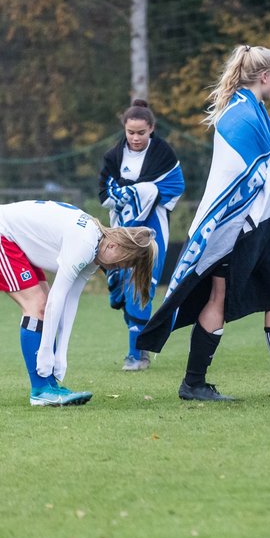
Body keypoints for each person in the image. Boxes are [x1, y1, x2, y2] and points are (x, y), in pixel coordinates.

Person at [136, 45, 270, 402]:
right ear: (263, 76)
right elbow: (241, 177)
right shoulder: (241, 116)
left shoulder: (251, 109)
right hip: (233, 227)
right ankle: (193, 383)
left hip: (261, 227)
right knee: (219, 297)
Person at [0, 200, 157, 407]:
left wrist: (61, 355)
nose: (117, 268)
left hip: (11, 238)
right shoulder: (85, 243)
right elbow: (56, 301)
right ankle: (40, 390)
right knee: (38, 305)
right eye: (122, 262)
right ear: (113, 245)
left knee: (43, 303)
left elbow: (70, 300)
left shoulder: (97, 248)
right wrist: (47, 351)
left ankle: (50, 386)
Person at [98, 99, 185, 372]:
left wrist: (140, 192)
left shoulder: (163, 154)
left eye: (141, 133)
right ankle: (140, 340)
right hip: (121, 230)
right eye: (131, 133)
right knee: (122, 286)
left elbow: (175, 184)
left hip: (151, 231)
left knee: (141, 283)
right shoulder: (113, 156)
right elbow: (104, 192)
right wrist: (128, 194)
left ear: (152, 129)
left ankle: (137, 355)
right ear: (124, 130)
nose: (136, 138)